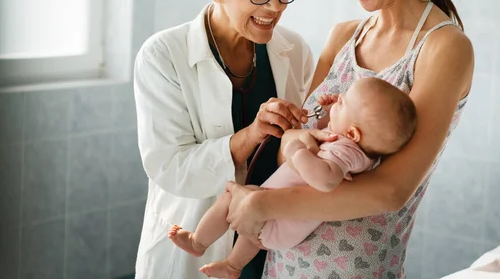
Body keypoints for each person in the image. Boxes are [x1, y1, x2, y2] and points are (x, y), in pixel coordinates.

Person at [221, 0, 475, 278]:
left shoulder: (443, 48)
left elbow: (391, 191)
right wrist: (295, 140)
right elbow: (291, 144)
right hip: (285, 263)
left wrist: (265, 204)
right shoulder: (343, 37)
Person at [133, 0, 329, 279]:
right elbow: (168, 167)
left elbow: (295, 150)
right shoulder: (163, 55)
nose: (275, 6)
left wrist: (322, 122)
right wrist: (250, 135)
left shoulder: (294, 50)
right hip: (192, 249)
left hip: (270, 241)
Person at [168, 77, 417, 278]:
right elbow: (324, 138)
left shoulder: (345, 151)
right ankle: (232, 267)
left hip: (282, 218)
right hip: (280, 217)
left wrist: (296, 151)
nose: (338, 99)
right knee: (251, 234)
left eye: (343, 104)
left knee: (230, 197)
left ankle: (197, 242)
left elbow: (325, 180)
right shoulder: (351, 146)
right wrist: (329, 113)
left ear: (352, 132)